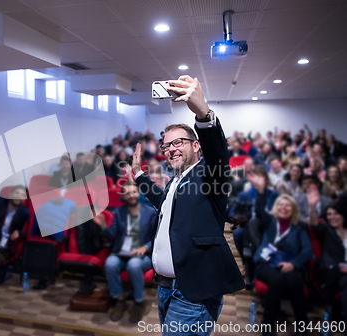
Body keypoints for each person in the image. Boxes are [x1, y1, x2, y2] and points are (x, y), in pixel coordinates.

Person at [132, 75, 244, 335]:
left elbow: (217, 152)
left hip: (193, 289)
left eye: (178, 142)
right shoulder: (177, 180)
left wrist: (203, 114)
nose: (170, 149)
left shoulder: (209, 173)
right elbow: (162, 203)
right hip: (165, 287)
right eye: (166, 145)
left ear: (196, 145)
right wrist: (139, 175)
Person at [251, 172, 312, 336]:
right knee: (277, 279)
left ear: (293, 209)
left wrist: (293, 264)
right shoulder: (270, 221)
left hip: (291, 263)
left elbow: (307, 250)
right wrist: (262, 191)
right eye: (280, 205)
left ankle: (302, 326)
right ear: (276, 207)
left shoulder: (299, 226)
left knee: (293, 278)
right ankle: (267, 326)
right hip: (267, 263)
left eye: (287, 206)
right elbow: (259, 210)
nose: (283, 208)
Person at [95, 182, 156, 323]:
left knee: (134, 265)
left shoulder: (151, 212)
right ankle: (119, 300)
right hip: (122, 253)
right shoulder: (119, 212)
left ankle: (138, 302)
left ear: (138, 194)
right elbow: (112, 236)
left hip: (142, 254)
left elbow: (157, 237)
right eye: (127, 193)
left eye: (134, 192)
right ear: (124, 196)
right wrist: (103, 226)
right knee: (110, 263)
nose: (131, 196)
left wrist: (145, 247)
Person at [309, 189, 347, 322]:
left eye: (336, 213)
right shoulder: (326, 229)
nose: (332, 217)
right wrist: (313, 207)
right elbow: (314, 224)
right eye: (329, 214)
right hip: (332, 270)